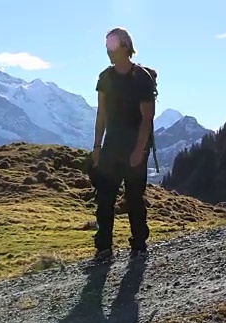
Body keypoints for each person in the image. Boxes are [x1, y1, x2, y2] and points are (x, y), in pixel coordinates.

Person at [90, 27, 156, 263]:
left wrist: (139, 150)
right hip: (112, 145)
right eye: (107, 45)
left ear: (126, 47)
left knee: (134, 197)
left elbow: (147, 117)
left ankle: (139, 244)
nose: (109, 50)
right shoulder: (104, 78)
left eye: (113, 45)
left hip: (134, 144)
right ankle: (104, 247)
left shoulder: (141, 79)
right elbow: (101, 114)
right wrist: (97, 147)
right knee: (105, 197)